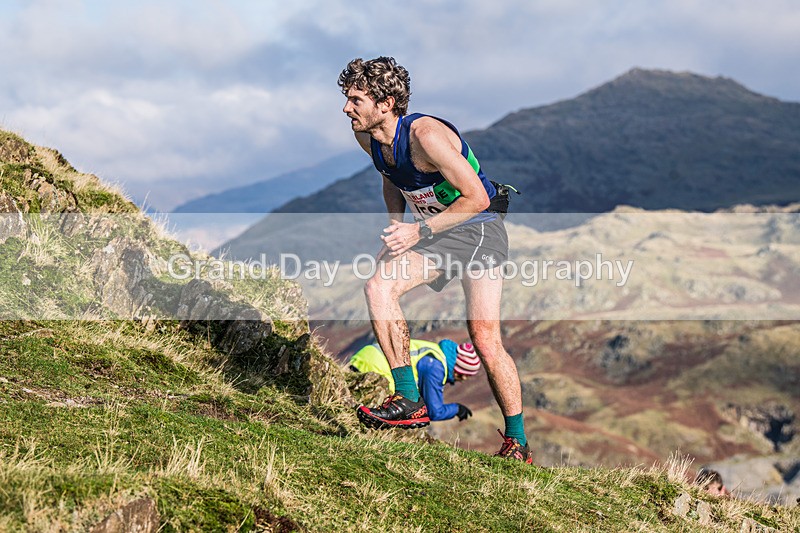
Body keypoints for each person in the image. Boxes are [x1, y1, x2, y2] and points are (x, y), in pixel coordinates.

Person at [339, 56, 532, 463]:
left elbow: (477, 199)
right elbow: (390, 177)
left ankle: (517, 442)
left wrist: (418, 232)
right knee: (378, 286)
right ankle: (410, 398)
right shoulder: (368, 136)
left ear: (386, 102)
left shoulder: (426, 137)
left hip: (478, 229)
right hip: (438, 232)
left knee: (484, 339)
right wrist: (396, 229)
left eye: (355, 99)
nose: (346, 108)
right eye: (346, 98)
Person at [349, 339, 480, 422]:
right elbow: (434, 411)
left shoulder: (435, 351)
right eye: (464, 375)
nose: (462, 380)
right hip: (377, 367)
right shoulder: (436, 367)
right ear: (459, 369)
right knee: (403, 409)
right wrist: (456, 409)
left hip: (365, 356)